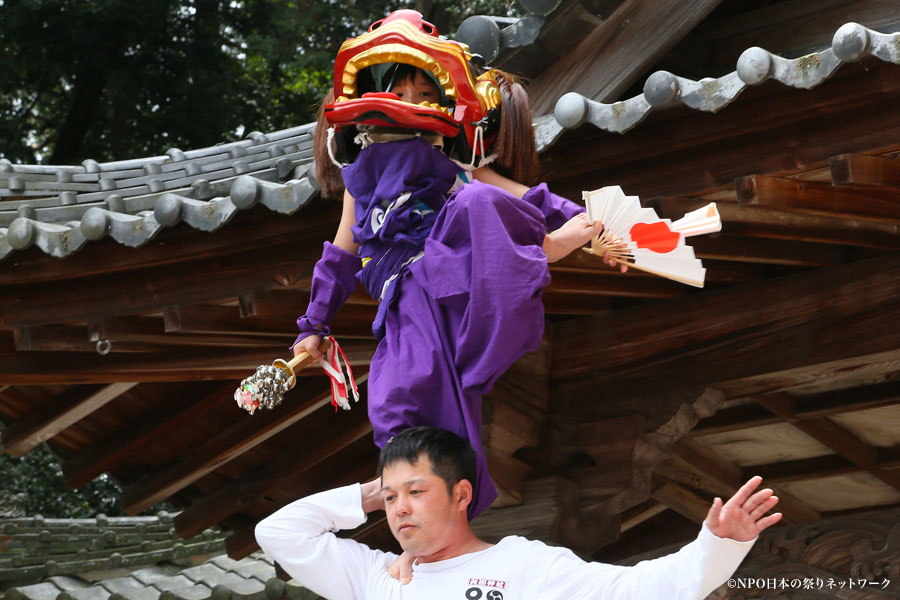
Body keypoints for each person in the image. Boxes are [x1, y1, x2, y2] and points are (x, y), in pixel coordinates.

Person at [292, 58, 624, 522]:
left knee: (476, 199)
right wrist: (315, 322)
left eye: (425, 96)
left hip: (447, 279)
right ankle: (422, 527)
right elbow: (342, 252)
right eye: (402, 94)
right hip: (400, 301)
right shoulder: (359, 172)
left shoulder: (447, 156)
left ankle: (546, 249)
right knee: (398, 404)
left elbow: (526, 198)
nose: (411, 105)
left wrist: (599, 233)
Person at [255, 426, 783, 600]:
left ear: (461, 495)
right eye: (391, 500)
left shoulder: (527, 568)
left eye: (415, 492)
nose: (400, 509)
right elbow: (276, 533)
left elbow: (644, 589)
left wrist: (720, 543)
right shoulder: (377, 579)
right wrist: (372, 493)